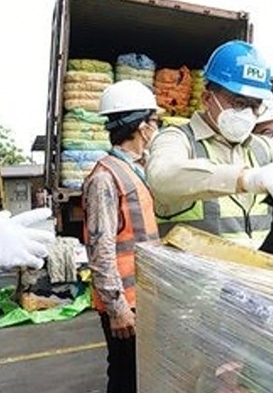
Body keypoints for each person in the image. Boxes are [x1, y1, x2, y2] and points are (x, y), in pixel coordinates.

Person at [146, 40, 273, 246]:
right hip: (195, 278)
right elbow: (162, 177)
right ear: (207, 98)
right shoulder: (176, 138)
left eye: (254, 106)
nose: (247, 114)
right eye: (239, 103)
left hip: (254, 275)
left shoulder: (261, 148)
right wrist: (244, 178)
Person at [82, 80, 163, 393]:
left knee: (142, 375)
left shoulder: (137, 170)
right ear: (142, 127)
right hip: (125, 304)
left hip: (143, 299)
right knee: (126, 378)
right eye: (155, 122)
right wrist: (117, 309)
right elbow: (99, 249)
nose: (156, 128)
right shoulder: (104, 178)